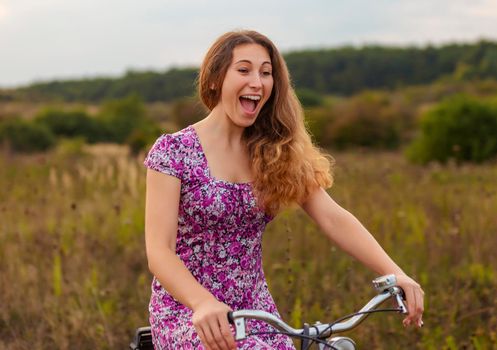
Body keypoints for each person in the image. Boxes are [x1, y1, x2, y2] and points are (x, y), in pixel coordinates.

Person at [143, 30, 424, 350]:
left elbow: (333, 217)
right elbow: (159, 251)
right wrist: (203, 303)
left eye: (266, 73)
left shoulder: (274, 150)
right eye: (244, 70)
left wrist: (395, 273)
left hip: (255, 310)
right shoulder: (173, 150)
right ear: (214, 79)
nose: (257, 82)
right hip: (187, 311)